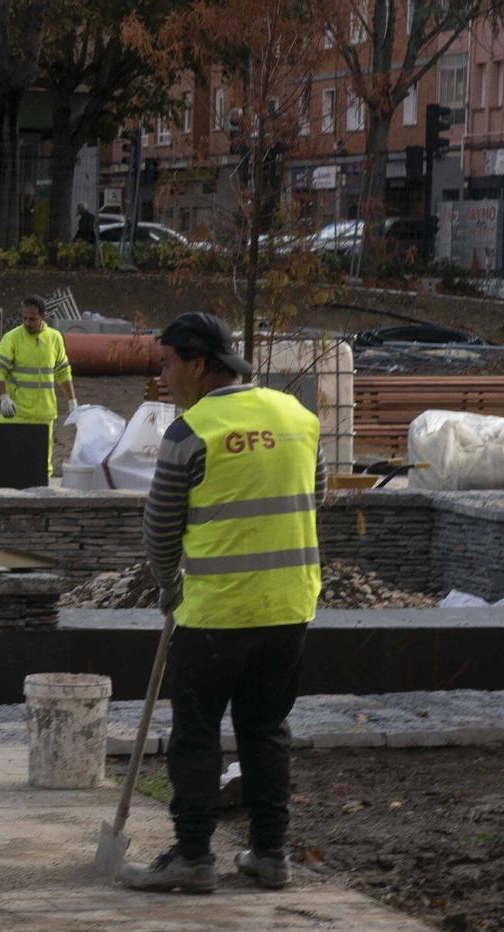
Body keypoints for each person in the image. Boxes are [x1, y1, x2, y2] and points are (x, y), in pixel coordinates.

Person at [121, 311, 325, 895]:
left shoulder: (191, 432)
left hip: (215, 614)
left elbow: (159, 528)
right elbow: (317, 497)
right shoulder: (299, 417)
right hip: (289, 607)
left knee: (196, 732)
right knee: (265, 729)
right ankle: (270, 854)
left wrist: (166, 583)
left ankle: (192, 856)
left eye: (168, 363)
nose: (163, 376)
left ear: (200, 366)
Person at [0, 296, 77, 477]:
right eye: (24, 318)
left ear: (43, 317)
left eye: (32, 319)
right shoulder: (12, 338)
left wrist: (72, 401)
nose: (27, 323)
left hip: (43, 415)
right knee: (6, 464)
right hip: (15, 413)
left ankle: (41, 497)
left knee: (41, 468)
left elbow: (62, 371)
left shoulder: (54, 338)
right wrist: (3, 397)